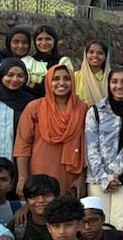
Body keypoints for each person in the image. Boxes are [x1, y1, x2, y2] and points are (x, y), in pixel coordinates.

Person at [85, 67, 123, 233]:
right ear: (108, 84)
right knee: (97, 222)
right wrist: (104, 178)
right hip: (97, 177)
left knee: (122, 223)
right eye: (114, 82)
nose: (119, 86)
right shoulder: (95, 111)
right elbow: (91, 147)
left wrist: (113, 174)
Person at [13, 65, 87, 198]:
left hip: (70, 175)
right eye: (56, 79)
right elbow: (23, 144)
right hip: (38, 170)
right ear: (48, 82)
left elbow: (87, 148)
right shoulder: (34, 108)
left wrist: (82, 178)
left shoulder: (83, 110)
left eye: (67, 79)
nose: (61, 83)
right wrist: (23, 177)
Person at [0, 59, 35, 161]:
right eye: (10, 75)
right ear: (1, 74)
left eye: (20, 76)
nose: (15, 79)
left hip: (17, 159)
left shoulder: (30, 102)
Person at [20, 26, 72, 99]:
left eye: (48, 39)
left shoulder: (63, 61)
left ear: (55, 40)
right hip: (29, 103)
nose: (44, 43)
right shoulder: (27, 61)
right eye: (39, 39)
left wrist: (34, 86)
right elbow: (21, 86)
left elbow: (64, 87)